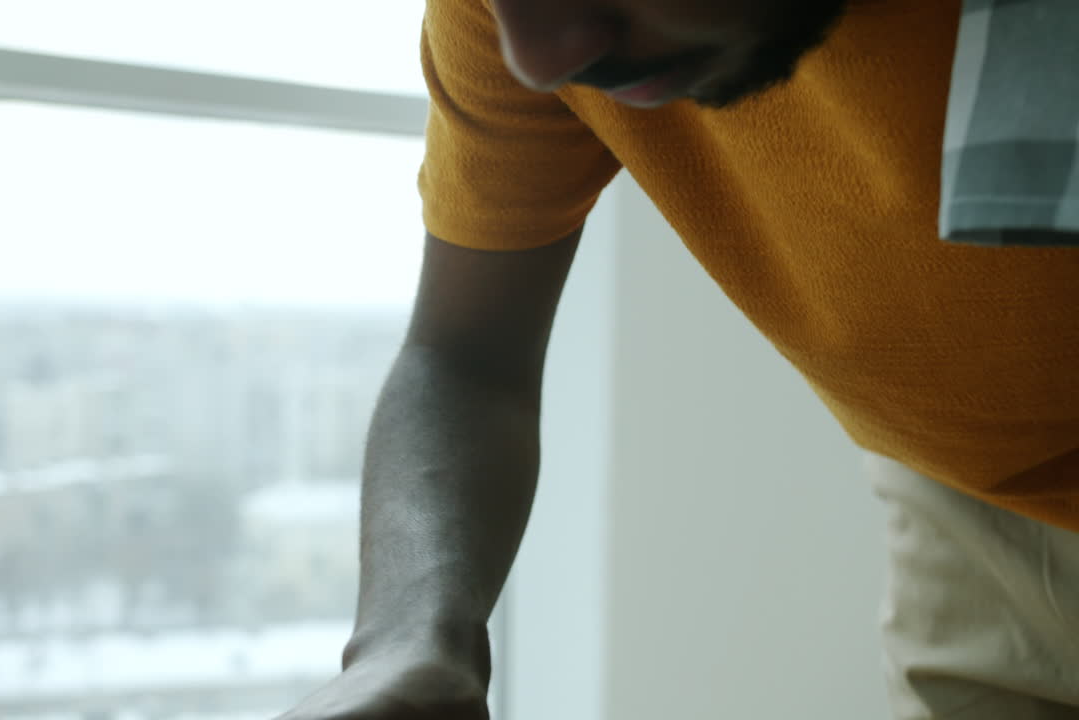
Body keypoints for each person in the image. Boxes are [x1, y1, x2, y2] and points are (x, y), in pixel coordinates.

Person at [278, 0, 1079, 718]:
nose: (538, 56)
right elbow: (466, 356)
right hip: (962, 507)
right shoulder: (502, 16)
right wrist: (407, 637)